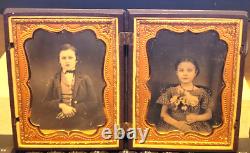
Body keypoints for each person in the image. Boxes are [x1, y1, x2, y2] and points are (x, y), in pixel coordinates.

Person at [43, 43, 101, 130]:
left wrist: (74, 109)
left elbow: (93, 103)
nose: (67, 61)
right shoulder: (53, 79)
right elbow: (45, 103)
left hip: (81, 121)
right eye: (63, 58)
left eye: (70, 58)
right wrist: (61, 106)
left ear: (76, 60)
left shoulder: (85, 78)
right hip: (58, 120)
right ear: (59, 60)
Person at [156, 58, 212, 134]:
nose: (185, 74)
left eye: (189, 70)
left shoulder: (202, 92)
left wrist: (197, 117)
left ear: (195, 72)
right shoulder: (170, 91)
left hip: (195, 126)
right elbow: (163, 114)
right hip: (173, 125)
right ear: (177, 72)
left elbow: (209, 114)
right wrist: (177, 124)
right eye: (181, 70)